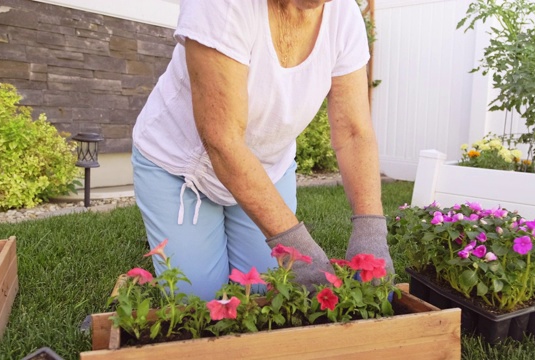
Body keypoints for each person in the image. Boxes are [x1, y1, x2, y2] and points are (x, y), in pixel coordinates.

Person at [131, 0, 394, 301]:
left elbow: (353, 132)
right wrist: (297, 246)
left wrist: (370, 232)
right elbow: (222, 139)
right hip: (183, 167)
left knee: (267, 288)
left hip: (266, 169)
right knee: (202, 302)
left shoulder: (344, 17)